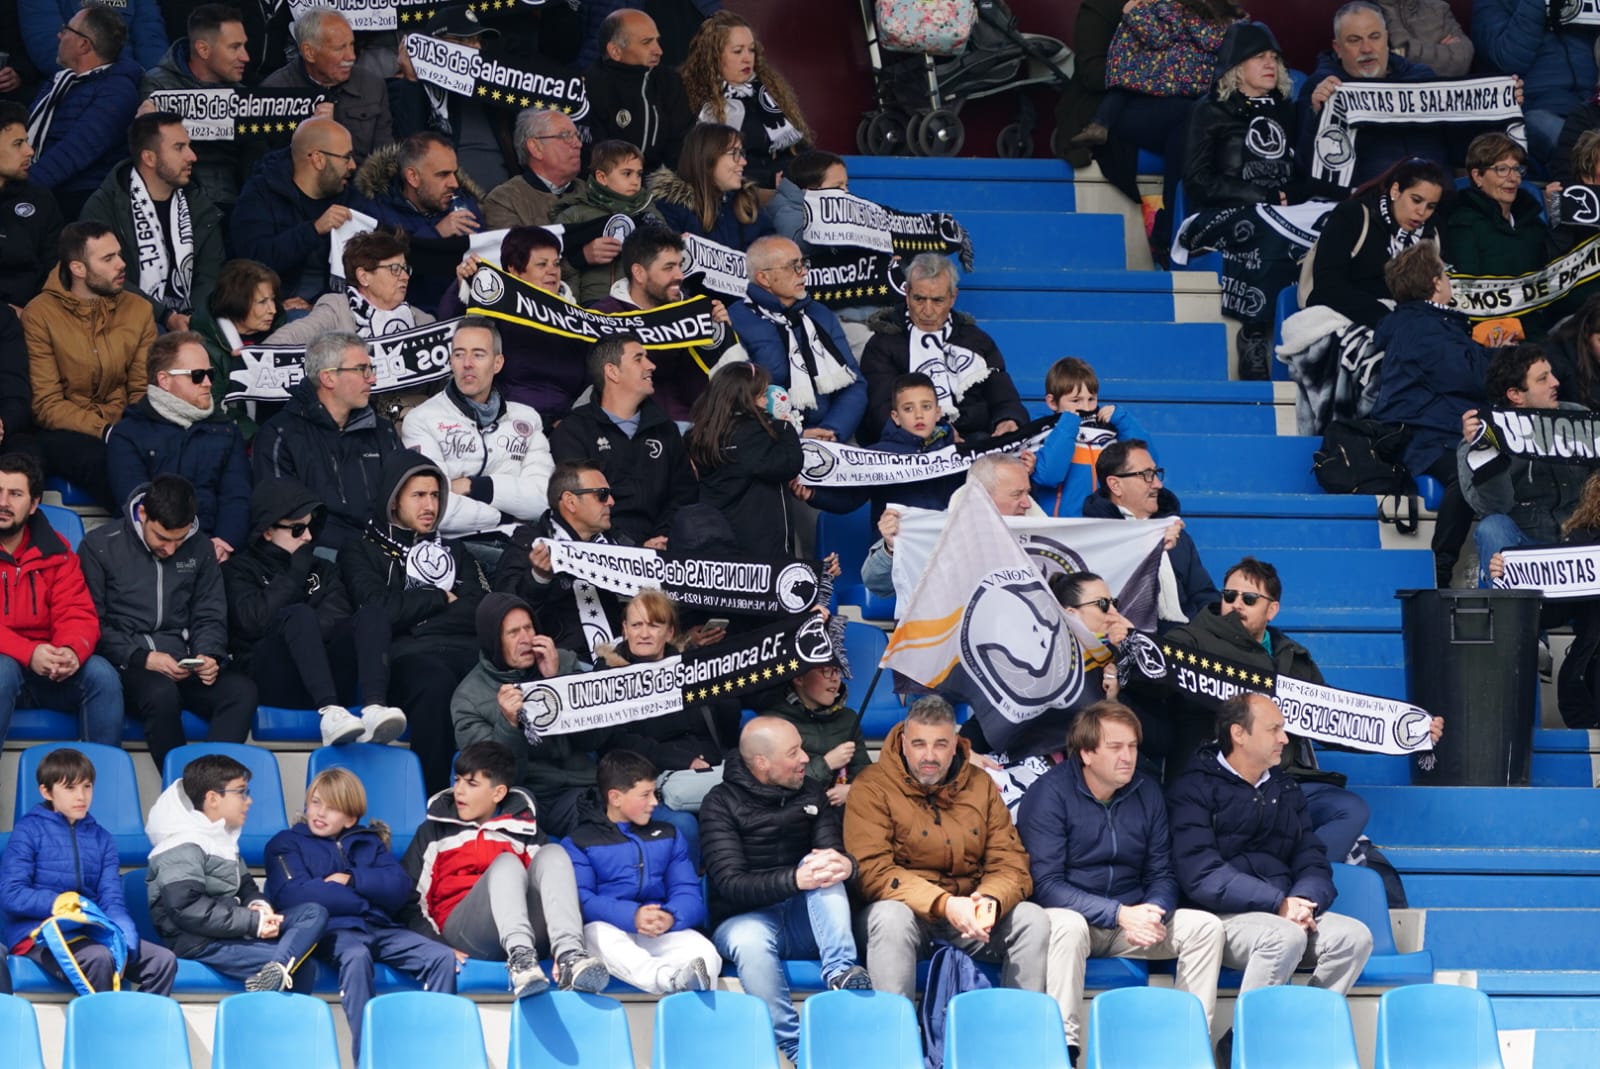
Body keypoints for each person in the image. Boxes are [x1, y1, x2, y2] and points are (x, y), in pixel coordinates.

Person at [1160, 556, 1440, 865]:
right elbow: (1155, 673)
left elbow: (1336, 723)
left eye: (1249, 598)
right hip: (1220, 786)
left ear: (1272, 609)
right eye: (1229, 596)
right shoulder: (1190, 643)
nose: (1236, 604)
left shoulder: (1292, 656)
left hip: (1282, 783)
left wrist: (1412, 733)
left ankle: (1299, 879)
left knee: (1350, 809)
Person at [1167, 693, 1374, 1058]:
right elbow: (1201, 874)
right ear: (1239, 734)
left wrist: (1305, 901)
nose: (1284, 738)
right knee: (1283, 938)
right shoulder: (1193, 788)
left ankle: (1290, 1035)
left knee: (1354, 938)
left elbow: (1312, 858)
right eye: (1274, 729)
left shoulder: (1285, 788)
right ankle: (1244, 1051)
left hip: (1285, 913)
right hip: (1223, 918)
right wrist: (1278, 904)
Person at [1016, 702, 1223, 1062]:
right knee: (1067, 926)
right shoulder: (1048, 794)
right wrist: (1119, 913)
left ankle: (1187, 1048)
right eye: (1115, 748)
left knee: (1205, 927)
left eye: (1132, 746)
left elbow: (1162, 872)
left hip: (1132, 922)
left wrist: (1154, 911)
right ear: (1086, 753)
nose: (1127, 757)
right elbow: (1046, 884)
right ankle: (1063, 1050)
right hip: (1074, 919)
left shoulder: (1147, 792)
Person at [844, 696, 1050, 1005]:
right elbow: (872, 872)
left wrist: (990, 899)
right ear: (903, 743)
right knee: (890, 917)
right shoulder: (872, 786)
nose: (930, 756)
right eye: (919, 744)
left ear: (955, 745)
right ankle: (895, 1041)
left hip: (970, 913)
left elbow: (1010, 862)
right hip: (906, 915)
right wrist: (944, 904)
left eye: (940, 744)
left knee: (1032, 919)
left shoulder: (980, 784)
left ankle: (1015, 1036)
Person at [699, 716, 871, 1063]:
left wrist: (845, 865)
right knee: (750, 942)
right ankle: (799, 1051)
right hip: (744, 919)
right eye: (794, 752)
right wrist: (795, 879)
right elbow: (730, 883)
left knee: (824, 867)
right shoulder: (718, 803)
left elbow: (829, 853)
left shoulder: (810, 792)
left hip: (805, 918)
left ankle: (840, 972)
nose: (807, 758)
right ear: (762, 763)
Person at [1184, 20, 1344, 379]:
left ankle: (1327, 330)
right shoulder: (1209, 111)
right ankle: (1254, 333)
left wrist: (1316, 118)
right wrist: (1261, 195)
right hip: (1222, 216)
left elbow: (1308, 170)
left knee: (1339, 218)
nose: (1271, 64)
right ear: (1236, 66)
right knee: (1261, 222)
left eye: (1274, 57)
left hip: (1286, 210)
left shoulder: (1289, 109)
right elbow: (1197, 181)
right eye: (1259, 57)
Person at [265, 768, 456, 1062]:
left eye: (332, 808)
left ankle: (432, 1057)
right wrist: (367, 901)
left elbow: (399, 887)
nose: (320, 813)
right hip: (332, 931)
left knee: (441, 957)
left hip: (380, 928)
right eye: (315, 802)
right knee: (356, 956)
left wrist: (351, 879)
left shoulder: (369, 841)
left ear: (351, 818)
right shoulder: (286, 842)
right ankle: (367, 1059)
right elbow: (295, 894)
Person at [402, 740, 610, 998]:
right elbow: (410, 899)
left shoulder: (525, 831)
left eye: (471, 784)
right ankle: (520, 960)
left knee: (554, 853)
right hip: (463, 934)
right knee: (507, 863)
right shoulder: (433, 831)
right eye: (457, 780)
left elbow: (556, 890)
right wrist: (435, 946)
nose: (458, 791)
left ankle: (569, 954)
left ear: (498, 793)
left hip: (526, 932)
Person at [81, 475, 257, 771]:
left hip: (181, 660)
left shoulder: (200, 547)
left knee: (242, 691)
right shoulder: (100, 546)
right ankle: (179, 788)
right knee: (161, 693)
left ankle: (209, 784)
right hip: (128, 665)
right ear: (142, 515)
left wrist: (208, 655)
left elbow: (209, 612)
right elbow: (92, 623)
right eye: (162, 538)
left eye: (180, 539)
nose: (172, 549)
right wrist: (143, 658)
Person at [342, 451, 491, 791]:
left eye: (436, 495)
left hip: (463, 649)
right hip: (404, 660)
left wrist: (418, 619)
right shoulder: (361, 550)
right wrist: (438, 598)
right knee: (434, 682)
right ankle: (433, 796)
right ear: (394, 502)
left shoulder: (455, 550)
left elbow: (481, 608)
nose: (430, 505)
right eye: (419, 496)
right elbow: (377, 610)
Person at [224, 477, 406, 748]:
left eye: (310, 527)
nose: (308, 537)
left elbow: (339, 616)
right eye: (297, 529)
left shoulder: (323, 568)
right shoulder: (238, 570)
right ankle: (329, 712)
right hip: (272, 680)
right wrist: (295, 575)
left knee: (371, 615)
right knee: (298, 615)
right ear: (267, 531)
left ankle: (374, 709)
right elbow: (253, 622)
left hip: (326, 675)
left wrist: (303, 634)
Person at [146, 752, 330, 992]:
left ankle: (278, 968)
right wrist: (254, 923)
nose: (248, 801)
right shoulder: (180, 844)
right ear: (213, 798)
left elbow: (247, 889)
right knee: (302, 968)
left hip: (232, 931)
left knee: (312, 913)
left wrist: (259, 907)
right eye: (241, 792)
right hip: (201, 942)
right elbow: (187, 909)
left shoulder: (220, 839)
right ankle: (278, 978)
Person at [0, 747, 178, 996]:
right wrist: (58, 903)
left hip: (90, 929)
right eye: (70, 788)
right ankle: (104, 1031)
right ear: (46, 791)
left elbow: (111, 899)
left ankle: (140, 1026)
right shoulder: (27, 831)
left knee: (162, 961)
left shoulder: (102, 838)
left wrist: (124, 931)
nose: (81, 796)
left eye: (87, 787)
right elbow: (11, 895)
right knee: (98, 958)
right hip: (38, 934)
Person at [1072, 0, 1244, 256]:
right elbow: (1092, 71)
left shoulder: (1208, 12)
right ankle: (1176, 229)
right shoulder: (1106, 7)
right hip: (1129, 104)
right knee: (1192, 121)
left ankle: (1172, 230)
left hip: (1184, 105)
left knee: (1190, 125)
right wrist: (1154, 71)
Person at [1369, 242, 1496, 585]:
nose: (1448, 279)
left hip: (1441, 428)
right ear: (1435, 283)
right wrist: (1499, 360)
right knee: (1471, 469)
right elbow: (1471, 378)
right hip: (1426, 435)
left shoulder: (1429, 323)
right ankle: (1440, 567)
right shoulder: (1424, 328)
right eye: (1444, 273)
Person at [560, 750, 721, 993]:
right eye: (645, 795)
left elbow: (688, 892)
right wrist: (632, 916)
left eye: (655, 793)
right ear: (615, 797)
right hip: (609, 929)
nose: (655, 802)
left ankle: (691, 1023)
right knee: (594, 935)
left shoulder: (669, 834)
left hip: (659, 928)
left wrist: (669, 916)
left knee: (707, 954)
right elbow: (582, 901)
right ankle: (668, 981)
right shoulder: (579, 841)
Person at [452, 592, 609, 838]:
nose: (526, 639)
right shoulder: (469, 697)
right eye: (513, 633)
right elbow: (493, 777)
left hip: (576, 788)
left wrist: (558, 683)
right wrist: (508, 724)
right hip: (520, 794)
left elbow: (594, 740)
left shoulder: (563, 662)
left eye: (529, 628)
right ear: (494, 641)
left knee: (602, 837)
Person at [24, 221, 156, 508]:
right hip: (65, 431)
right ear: (78, 269)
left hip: (125, 424)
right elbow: (46, 404)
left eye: (119, 254)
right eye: (108, 259)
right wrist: (107, 431)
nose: (122, 264)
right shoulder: (39, 315)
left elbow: (141, 388)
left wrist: (135, 429)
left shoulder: (139, 309)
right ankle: (141, 531)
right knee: (105, 461)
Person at [0, 452, 121, 747]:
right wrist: (29, 652)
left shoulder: (58, 553)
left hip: (48, 670)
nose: (3, 502)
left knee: (102, 676)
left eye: (15, 494)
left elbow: (78, 613)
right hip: (7, 667)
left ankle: (98, 786)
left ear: (34, 504)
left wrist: (69, 651)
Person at [402, 316, 555, 545]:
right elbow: (432, 509)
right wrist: (506, 516)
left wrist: (477, 487)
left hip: (518, 547)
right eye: (459, 354)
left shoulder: (527, 419)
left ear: (498, 363)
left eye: (478, 354)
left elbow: (543, 501)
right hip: (453, 547)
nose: (467, 364)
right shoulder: (421, 419)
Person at [250, 332, 404, 553]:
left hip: (383, 554)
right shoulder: (278, 435)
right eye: (362, 370)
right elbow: (280, 517)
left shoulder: (383, 431)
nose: (372, 379)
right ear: (328, 378)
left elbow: (406, 499)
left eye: (371, 370)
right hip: (317, 561)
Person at [106, 332, 250, 563]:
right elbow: (135, 501)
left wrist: (225, 540)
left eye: (209, 374)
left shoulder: (225, 430)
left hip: (215, 554)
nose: (208, 382)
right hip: (149, 554)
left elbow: (236, 494)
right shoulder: (128, 433)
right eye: (197, 375)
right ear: (164, 380)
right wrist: (182, 545)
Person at [859, 253, 1026, 447]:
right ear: (907, 294)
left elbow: (1003, 396)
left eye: (937, 300)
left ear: (953, 298)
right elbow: (880, 412)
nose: (928, 310)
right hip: (909, 446)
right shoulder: (883, 344)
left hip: (974, 442)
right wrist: (938, 433)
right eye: (919, 299)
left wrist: (1008, 420)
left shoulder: (977, 341)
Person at [81, 111, 224, 334]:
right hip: (125, 321)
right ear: (149, 158)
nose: (192, 156)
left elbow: (210, 273)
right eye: (179, 147)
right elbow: (104, 276)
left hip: (192, 318)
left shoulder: (198, 202)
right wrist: (165, 316)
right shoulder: (104, 206)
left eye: (189, 146)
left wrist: (191, 317)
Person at [549, 333, 698, 547]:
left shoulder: (665, 429)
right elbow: (579, 506)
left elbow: (683, 496)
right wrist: (632, 549)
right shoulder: (574, 430)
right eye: (639, 359)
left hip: (665, 548)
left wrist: (663, 538)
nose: (651, 365)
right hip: (601, 553)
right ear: (612, 371)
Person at [596, 591, 737, 813]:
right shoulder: (606, 674)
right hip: (652, 776)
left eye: (654, 626)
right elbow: (616, 740)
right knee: (687, 825)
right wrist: (683, 760)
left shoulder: (692, 667)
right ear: (624, 629)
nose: (644, 634)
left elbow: (727, 729)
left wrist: (722, 684)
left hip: (713, 766)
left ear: (670, 632)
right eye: (636, 625)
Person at [1459, 345, 1586, 583]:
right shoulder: (1477, 440)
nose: (1556, 382)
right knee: (1493, 526)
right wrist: (1486, 451)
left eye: (1552, 373)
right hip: (1527, 554)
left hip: (1580, 549)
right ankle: (1506, 616)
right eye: (1543, 379)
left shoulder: (1578, 418)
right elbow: (1492, 507)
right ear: (1515, 395)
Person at [589, 227, 741, 424]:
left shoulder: (693, 311)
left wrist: (718, 336)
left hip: (693, 426)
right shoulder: (606, 315)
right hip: (630, 430)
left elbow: (720, 382)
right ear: (639, 273)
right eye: (669, 268)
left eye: (680, 265)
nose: (679, 275)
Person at [729, 234, 865, 443]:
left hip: (830, 438)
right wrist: (795, 433)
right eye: (793, 266)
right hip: (768, 441)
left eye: (803, 263)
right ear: (763, 278)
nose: (803, 272)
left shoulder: (820, 314)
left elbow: (854, 384)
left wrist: (833, 430)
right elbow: (736, 399)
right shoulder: (736, 320)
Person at [1297, 2, 1449, 187]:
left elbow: (1456, 147)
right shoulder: (1319, 89)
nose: (1367, 49)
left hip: (1438, 201)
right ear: (1337, 48)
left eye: (1374, 37)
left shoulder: (1422, 78)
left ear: (1386, 38)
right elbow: (1304, 168)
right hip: (1368, 206)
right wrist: (1316, 115)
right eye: (1355, 40)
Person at [494, 461, 631, 660]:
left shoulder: (619, 543)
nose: (611, 501)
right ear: (570, 501)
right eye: (601, 495)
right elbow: (507, 615)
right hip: (563, 666)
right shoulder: (528, 544)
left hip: (624, 659)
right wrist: (538, 578)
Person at [861, 452, 1043, 600]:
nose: (1027, 503)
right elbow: (876, 584)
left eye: (1027, 492)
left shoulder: (1043, 536)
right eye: (1017, 494)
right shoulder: (934, 533)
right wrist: (891, 548)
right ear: (980, 496)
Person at [228, 117, 363, 311]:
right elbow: (253, 260)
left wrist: (317, 304)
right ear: (318, 159)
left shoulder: (349, 197)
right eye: (346, 157)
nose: (352, 166)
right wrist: (314, 230)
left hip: (331, 306)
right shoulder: (261, 192)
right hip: (276, 307)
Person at [23, 3, 143, 219]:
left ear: (84, 45)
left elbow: (72, 154)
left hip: (80, 204)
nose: (59, 36)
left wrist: (16, 188)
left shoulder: (118, 92)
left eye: (66, 30)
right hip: (45, 192)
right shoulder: (61, 80)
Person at [1082, 439, 1218, 626]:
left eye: (1156, 474)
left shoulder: (1177, 535)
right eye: (1147, 475)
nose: (1158, 485)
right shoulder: (1095, 541)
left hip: (1187, 646)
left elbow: (1204, 596)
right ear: (1115, 485)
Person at [1304, 157, 1448, 330]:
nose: (1422, 212)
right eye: (1416, 200)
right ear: (1395, 191)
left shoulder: (1434, 230)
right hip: (1347, 317)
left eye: (1431, 206)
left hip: (1409, 322)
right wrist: (1388, 320)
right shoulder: (1352, 215)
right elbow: (1328, 285)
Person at [354, 131, 486, 316]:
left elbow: (486, 260)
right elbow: (379, 273)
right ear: (413, 177)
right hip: (405, 320)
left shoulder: (465, 206)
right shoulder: (377, 213)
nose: (455, 183)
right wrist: (435, 234)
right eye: (443, 175)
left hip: (464, 316)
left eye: (455, 173)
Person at [680, 12, 810, 189]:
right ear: (714, 55)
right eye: (737, 51)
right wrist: (769, 179)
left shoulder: (769, 92)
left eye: (751, 49)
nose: (747, 58)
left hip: (786, 189)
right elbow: (705, 164)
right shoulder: (694, 99)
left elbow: (801, 149)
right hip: (741, 193)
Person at [140, 4, 251, 211]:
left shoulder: (244, 95)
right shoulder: (158, 86)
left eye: (244, 46)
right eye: (235, 47)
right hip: (177, 203)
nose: (246, 57)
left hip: (236, 203)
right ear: (203, 49)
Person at [686, 362, 803, 558]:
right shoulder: (759, 434)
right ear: (745, 398)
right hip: (763, 552)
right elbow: (789, 464)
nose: (767, 403)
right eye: (764, 396)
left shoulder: (697, 436)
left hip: (714, 544)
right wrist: (785, 427)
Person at [1471, 0, 1596, 167]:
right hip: (1535, 109)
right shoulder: (1490, 4)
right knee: (1585, 147)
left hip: (1589, 103)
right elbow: (1508, 60)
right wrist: (1535, 4)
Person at [261, 6, 392, 162]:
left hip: (359, 183)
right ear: (309, 53)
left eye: (352, 45)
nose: (351, 56)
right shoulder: (273, 92)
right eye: (340, 48)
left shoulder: (372, 86)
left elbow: (384, 162)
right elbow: (266, 167)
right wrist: (314, 136)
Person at [262, 230, 438, 345]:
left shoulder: (422, 321)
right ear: (364, 276)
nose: (405, 276)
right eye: (394, 269)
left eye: (405, 269)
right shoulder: (337, 310)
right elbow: (290, 337)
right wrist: (252, 360)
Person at [1031, 357, 1154, 517]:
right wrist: (1068, 425)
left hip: (1105, 524)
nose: (1086, 407)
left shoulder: (1111, 429)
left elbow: (1149, 463)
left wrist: (1123, 420)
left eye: (1091, 399)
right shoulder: (1043, 430)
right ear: (1052, 402)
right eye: (1076, 400)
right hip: (1061, 528)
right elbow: (1049, 476)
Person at [552, 139, 667, 304]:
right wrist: (582, 257)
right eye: (627, 173)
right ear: (602, 177)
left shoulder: (650, 214)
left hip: (640, 307)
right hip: (590, 306)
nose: (635, 181)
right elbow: (549, 263)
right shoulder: (575, 214)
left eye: (639, 174)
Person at [582, 8, 693, 172]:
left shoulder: (670, 82)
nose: (659, 50)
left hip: (659, 186)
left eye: (657, 41)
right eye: (647, 42)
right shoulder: (591, 85)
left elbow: (681, 143)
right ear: (615, 51)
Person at [194, 259, 284, 436]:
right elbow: (213, 406)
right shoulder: (205, 346)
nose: (273, 309)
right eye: (262, 302)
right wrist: (258, 438)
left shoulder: (284, 331)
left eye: (273, 300)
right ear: (236, 302)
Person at [761, 659, 869, 807]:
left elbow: (866, 773)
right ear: (799, 678)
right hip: (795, 813)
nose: (835, 678)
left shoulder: (848, 718)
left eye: (836, 671)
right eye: (825, 671)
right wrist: (827, 763)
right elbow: (775, 785)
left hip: (844, 812)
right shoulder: (775, 722)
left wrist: (853, 790)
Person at [1442, 132, 1550, 279]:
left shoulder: (1533, 222)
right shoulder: (1463, 225)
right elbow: (1467, 287)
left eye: (1517, 169)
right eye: (1502, 169)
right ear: (1478, 176)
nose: (1513, 178)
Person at [649, 122, 775, 247]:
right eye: (734, 153)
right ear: (708, 159)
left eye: (741, 153)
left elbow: (773, 254)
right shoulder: (669, 209)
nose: (743, 162)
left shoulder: (746, 203)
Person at [0, 100, 63, 310]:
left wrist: (36, 316)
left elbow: (55, 271)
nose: (29, 151)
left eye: (27, 142)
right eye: (18, 144)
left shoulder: (40, 199)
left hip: (35, 318)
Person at [21, 0, 166, 73]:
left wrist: (149, 85)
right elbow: (48, 47)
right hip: (73, 85)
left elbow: (151, 40)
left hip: (132, 80)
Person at [1373, 0, 1472, 77]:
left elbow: (1463, 58)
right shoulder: (1366, 14)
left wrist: (1409, 51)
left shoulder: (1439, 7)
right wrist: (1439, 51)